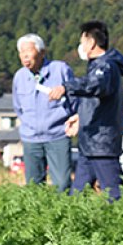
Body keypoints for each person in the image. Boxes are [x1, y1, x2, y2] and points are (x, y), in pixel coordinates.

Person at [48, 21, 123, 201]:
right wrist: (80, 118)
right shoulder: (97, 66)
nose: (81, 47)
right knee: (77, 197)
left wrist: (66, 87)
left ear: (91, 43)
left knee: (114, 195)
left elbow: (96, 87)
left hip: (102, 145)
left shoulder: (105, 67)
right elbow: (97, 102)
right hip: (89, 143)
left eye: (83, 41)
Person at [12, 34, 76, 192]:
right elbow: (18, 108)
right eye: (21, 52)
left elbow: (75, 100)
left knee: (62, 184)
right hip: (31, 139)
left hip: (57, 136)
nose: (25, 56)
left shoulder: (60, 69)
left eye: (28, 51)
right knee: (33, 187)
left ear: (42, 52)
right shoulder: (19, 77)